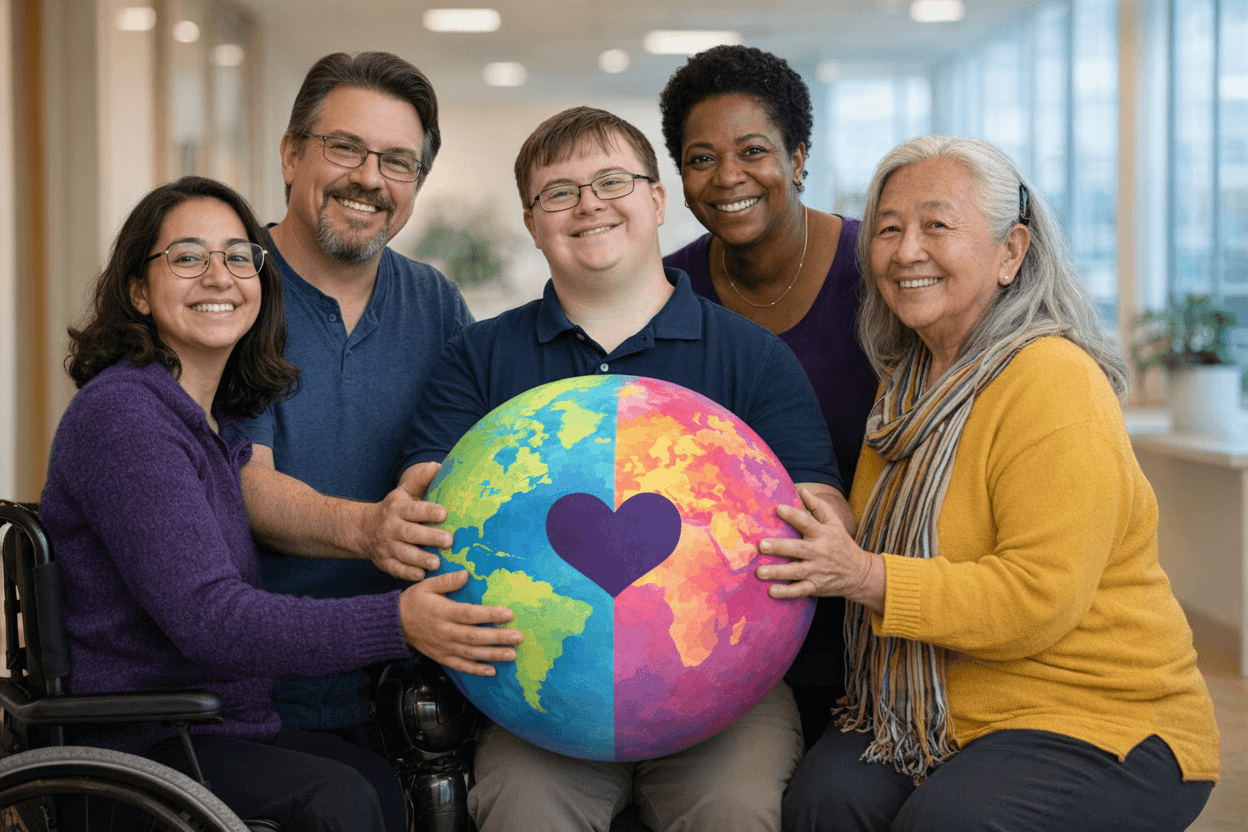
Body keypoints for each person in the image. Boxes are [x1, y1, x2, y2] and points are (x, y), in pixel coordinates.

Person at [401, 106, 854, 832]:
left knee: (736, 812)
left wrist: (824, 534)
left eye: (613, 180)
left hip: (724, 691)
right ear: (530, 219)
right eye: (560, 192)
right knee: (522, 812)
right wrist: (404, 512)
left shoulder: (752, 357)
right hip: (537, 694)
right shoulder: (477, 358)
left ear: (656, 199)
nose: (588, 205)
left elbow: (824, 509)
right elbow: (420, 506)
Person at [762, 136, 1220, 832]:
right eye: (888, 228)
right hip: (938, 712)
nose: (906, 250)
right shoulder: (905, 387)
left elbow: (1039, 597)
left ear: (1011, 253)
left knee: (951, 822)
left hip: (1098, 715)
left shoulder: (1054, 380)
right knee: (823, 802)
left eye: (937, 225)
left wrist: (865, 576)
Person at [39, 176, 424, 832]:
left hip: (212, 728)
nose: (219, 275)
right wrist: (402, 622)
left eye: (239, 256)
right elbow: (211, 620)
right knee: (341, 800)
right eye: (188, 257)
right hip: (138, 750)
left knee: (377, 781)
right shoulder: (126, 417)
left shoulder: (207, 425)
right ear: (139, 290)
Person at [236, 52, 509, 751]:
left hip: (410, 678)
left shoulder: (437, 302)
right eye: (345, 148)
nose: (369, 178)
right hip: (260, 682)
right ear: (291, 154)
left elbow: (485, 462)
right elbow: (247, 485)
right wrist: (371, 530)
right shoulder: (234, 290)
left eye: (398, 161)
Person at [658, 44, 877, 741]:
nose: (728, 177)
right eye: (700, 158)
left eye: (753, 150)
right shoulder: (663, 291)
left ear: (799, 158)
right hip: (718, 622)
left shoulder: (881, 271)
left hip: (872, 608)